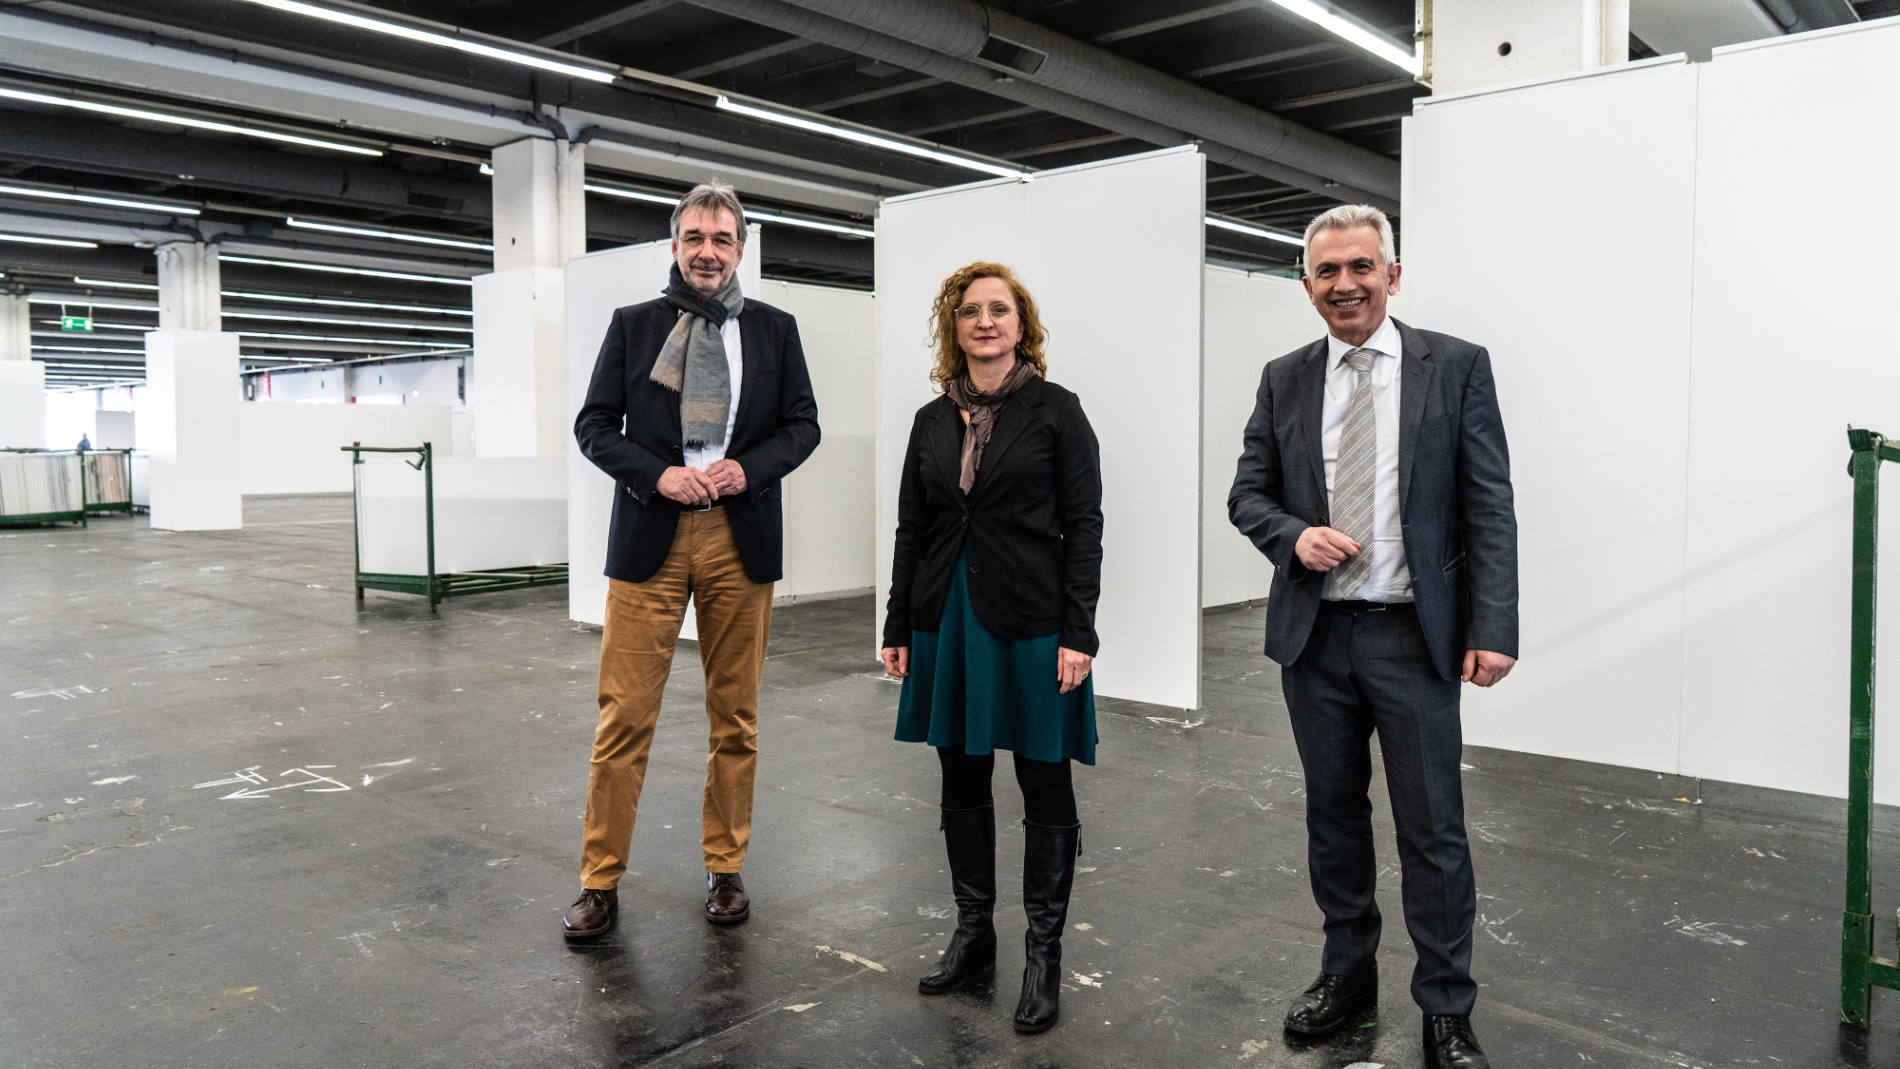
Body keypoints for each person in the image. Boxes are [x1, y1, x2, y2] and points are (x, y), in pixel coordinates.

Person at [1227, 204, 1518, 1069]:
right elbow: (1248, 493)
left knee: (1433, 829)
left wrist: (1492, 625)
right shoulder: (1284, 377)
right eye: (1328, 272)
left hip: (1412, 637)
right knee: (1334, 820)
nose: (1345, 284)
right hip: (1315, 639)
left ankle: (1445, 1008)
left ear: (1393, 273)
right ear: (1306, 284)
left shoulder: (1455, 366)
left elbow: (1488, 503)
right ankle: (1347, 976)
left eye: (1362, 267)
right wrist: (1292, 536)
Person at [564, 182, 820, 941]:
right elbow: (592, 425)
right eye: (695, 237)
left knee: (734, 716)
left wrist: (749, 469)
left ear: (741, 249)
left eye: (723, 239)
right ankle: (599, 881)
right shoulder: (634, 326)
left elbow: (802, 427)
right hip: (653, 534)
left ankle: (725, 867)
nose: (708, 251)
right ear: (674, 245)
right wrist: (658, 472)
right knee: (624, 716)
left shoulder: (775, 330)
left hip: (739, 537)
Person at [880, 261, 1104, 1035]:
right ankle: (975, 932)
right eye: (971, 311)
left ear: (1021, 324)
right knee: (960, 774)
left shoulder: (1056, 412)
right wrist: (897, 623)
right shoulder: (930, 418)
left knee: (1044, 780)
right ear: (956, 326)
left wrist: (1080, 632)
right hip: (949, 614)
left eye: (999, 310)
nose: (985, 321)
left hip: (1034, 619)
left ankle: (1044, 951)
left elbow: (1085, 527)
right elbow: (915, 526)